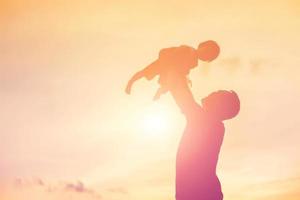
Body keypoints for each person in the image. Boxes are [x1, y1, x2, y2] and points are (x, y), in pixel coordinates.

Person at [167, 76, 240, 200]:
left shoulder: (206, 121)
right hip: (201, 193)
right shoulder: (211, 124)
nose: (213, 93)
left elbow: (182, 96)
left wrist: (176, 74)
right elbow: (183, 96)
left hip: (200, 193)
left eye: (218, 94)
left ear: (220, 106)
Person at [125, 40, 220, 100]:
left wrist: (186, 79)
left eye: (208, 55)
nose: (205, 54)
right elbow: (169, 53)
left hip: (173, 72)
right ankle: (131, 82)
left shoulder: (194, 63)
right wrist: (168, 63)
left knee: (167, 85)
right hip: (165, 63)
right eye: (207, 50)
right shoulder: (188, 49)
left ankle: (159, 92)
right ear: (202, 45)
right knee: (144, 72)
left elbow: (186, 71)